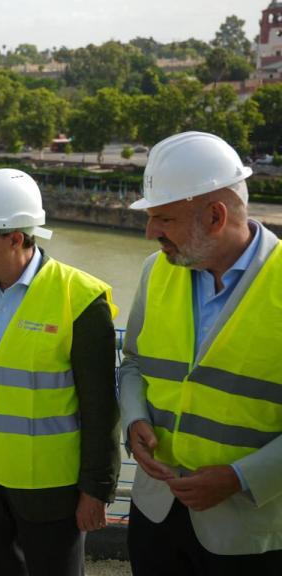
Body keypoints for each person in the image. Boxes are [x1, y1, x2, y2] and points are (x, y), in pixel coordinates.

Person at [119, 131, 282, 574]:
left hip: (247, 531)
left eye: (164, 219)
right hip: (155, 512)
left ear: (215, 215)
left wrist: (239, 478)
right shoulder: (157, 272)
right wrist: (135, 417)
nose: (151, 231)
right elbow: (133, 362)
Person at [0, 168, 120, 576]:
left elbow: (100, 407)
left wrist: (96, 490)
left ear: (17, 239)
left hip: (52, 490)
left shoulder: (80, 298)